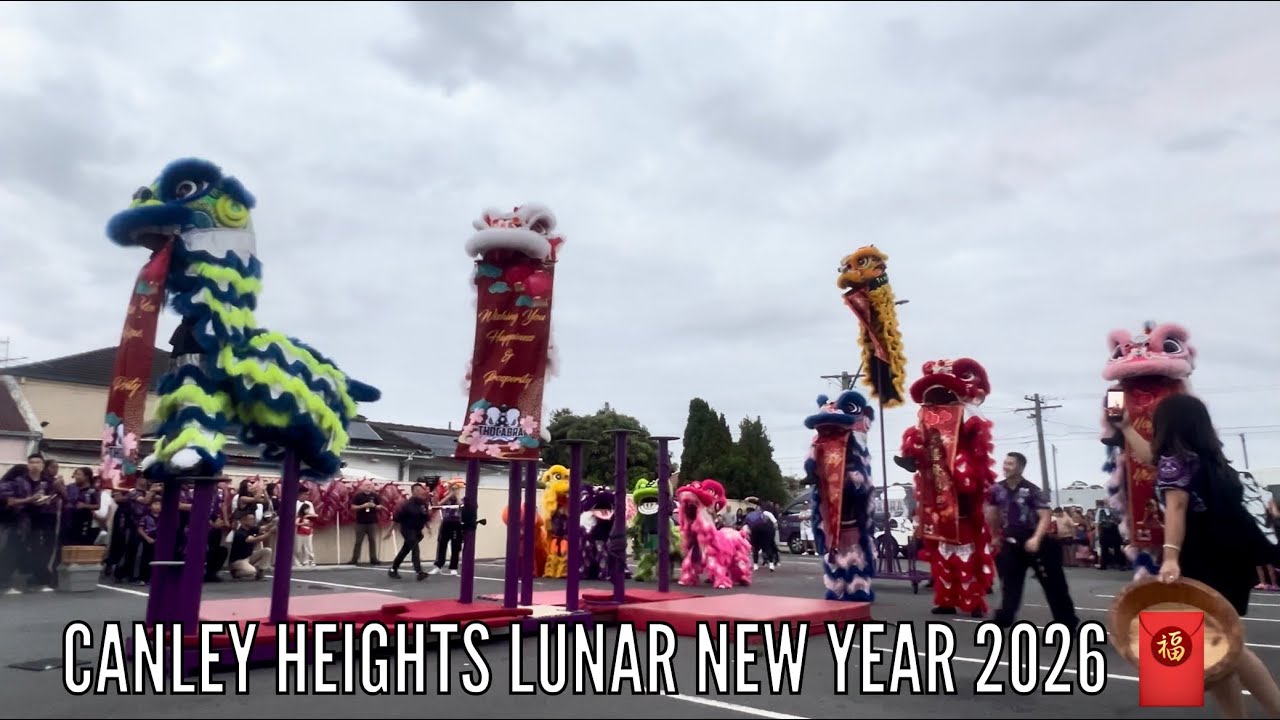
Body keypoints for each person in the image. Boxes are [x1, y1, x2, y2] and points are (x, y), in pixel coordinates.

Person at [1115, 394, 1280, 716]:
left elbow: (1176, 508)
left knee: (1230, 647)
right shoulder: (1211, 460)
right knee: (1215, 648)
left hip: (1202, 562)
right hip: (1231, 561)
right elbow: (1154, 459)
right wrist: (1126, 428)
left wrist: (1171, 556)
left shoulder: (1177, 461)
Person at [985, 451, 1080, 631]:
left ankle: (1067, 622)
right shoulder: (996, 490)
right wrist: (995, 536)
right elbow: (993, 514)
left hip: (1037, 542)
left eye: (1010, 464)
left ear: (1020, 467)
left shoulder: (1032, 490)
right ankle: (1005, 616)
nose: (1006, 467)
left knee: (1054, 584)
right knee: (1010, 583)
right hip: (1011, 542)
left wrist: (1036, 538)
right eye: (1005, 463)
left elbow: (1045, 516)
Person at [25, 454, 61, 591]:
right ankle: (38, 575)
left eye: (57, 467)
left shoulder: (54, 481)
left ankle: (43, 574)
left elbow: (63, 496)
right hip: (36, 515)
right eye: (53, 467)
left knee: (49, 546)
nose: (55, 469)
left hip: (50, 515)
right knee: (36, 546)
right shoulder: (35, 480)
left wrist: (58, 491)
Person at [0, 463, 34, 595]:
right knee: (5, 550)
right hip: (6, 521)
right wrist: (29, 499)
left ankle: (5, 578)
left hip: (16, 522)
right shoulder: (6, 484)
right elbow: (11, 502)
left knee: (11, 550)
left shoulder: (21, 484)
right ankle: (3, 579)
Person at [389, 483, 431, 581]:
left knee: (405, 550)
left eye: (421, 490)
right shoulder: (406, 505)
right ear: (413, 492)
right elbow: (396, 519)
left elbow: (425, 517)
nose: (421, 492)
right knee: (415, 549)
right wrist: (389, 532)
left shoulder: (423, 504)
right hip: (407, 529)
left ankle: (393, 569)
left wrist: (429, 528)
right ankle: (419, 571)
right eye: (418, 490)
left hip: (417, 531)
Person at [228, 514, 275, 580]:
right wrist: (270, 533)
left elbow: (265, 527)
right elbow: (255, 539)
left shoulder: (251, 528)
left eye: (253, 519)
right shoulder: (240, 533)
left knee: (267, 550)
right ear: (243, 521)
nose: (253, 521)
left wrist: (274, 522)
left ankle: (260, 572)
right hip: (238, 561)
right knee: (251, 571)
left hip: (248, 556)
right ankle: (236, 572)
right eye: (251, 520)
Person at [431, 481, 464, 576]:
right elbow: (438, 506)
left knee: (455, 546)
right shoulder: (446, 499)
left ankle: (453, 567)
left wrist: (456, 495)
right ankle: (438, 565)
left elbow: (461, 506)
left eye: (456, 489)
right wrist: (449, 495)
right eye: (452, 489)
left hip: (456, 523)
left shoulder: (461, 499)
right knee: (442, 544)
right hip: (446, 523)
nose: (453, 491)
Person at [349, 481, 381, 565]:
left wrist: (375, 506)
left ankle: (373, 559)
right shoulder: (358, 496)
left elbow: (380, 506)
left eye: (370, 485)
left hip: (372, 522)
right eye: (367, 485)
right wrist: (363, 506)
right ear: (362, 487)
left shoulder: (375, 496)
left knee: (373, 541)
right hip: (361, 522)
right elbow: (352, 507)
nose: (369, 486)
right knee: (358, 541)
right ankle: (354, 559)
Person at [294, 497, 317, 569]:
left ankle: (309, 561)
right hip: (300, 532)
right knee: (298, 548)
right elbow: (296, 523)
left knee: (308, 547)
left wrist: (308, 515)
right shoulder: (299, 516)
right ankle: (297, 561)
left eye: (308, 509)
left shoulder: (309, 516)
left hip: (308, 532)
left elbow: (316, 515)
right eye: (306, 509)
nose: (308, 510)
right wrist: (303, 523)